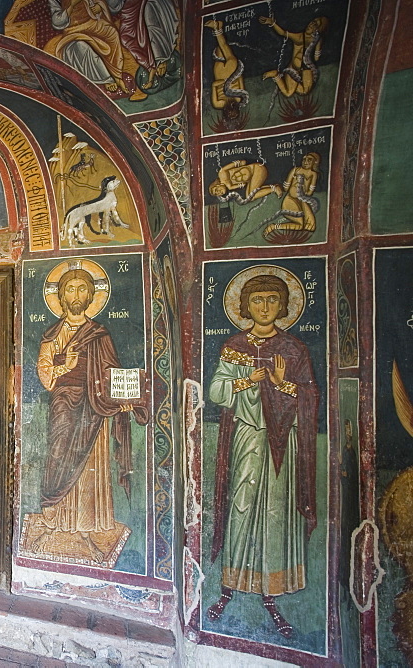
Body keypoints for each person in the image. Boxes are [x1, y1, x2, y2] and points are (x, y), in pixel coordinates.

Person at [206, 273, 319, 640]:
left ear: (284, 305)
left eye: (273, 299)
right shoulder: (234, 346)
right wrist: (247, 380)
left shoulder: (294, 349)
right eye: (258, 300)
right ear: (246, 306)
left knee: (274, 514)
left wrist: (283, 383)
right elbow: (217, 391)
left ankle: (271, 593)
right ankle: (229, 586)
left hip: (281, 444)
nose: (265, 306)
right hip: (248, 438)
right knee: (240, 508)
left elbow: (308, 398)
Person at [24, 269, 148, 563]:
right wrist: (64, 366)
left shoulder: (100, 334)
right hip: (64, 403)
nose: (76, 296)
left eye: (82, 290)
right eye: (70, 290)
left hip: (95, 407)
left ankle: (89, 524)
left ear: (91, 296)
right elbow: (45, 376)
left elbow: (111, 374)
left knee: (92, 461)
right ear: (61, 295)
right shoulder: (52, 335)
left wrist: (123, 400)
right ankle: (59, 517)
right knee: (58, 451)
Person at [45, 0, 130, 97]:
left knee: (112, 33)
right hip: (74, 29)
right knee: (80, 46)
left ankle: (117, 75)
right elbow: (57, 21)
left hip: (93, 24)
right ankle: (105, 78)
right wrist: (71, 6)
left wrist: (100, 6)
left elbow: (112, 5)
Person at [259, 16, 328, 98]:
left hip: (306, 67)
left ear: (318, 29)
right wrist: (273, 23)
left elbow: (316, 58)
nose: (311, 25)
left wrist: (317, 44)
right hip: (293, 68)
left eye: (315, 25)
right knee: (288, 93)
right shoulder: (298, 37)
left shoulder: (317, 39)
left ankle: (288, 80)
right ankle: (275, 74)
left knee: (304, 91)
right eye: (312, 22)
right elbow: (283, 33)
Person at [264, 152, 321, 239]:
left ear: (315, 162)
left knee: (307, 226)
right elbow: (286, 188)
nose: (306, 162)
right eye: (304, 159)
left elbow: (310, 192)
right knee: (303, 225)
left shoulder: (313, 174)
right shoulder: (296, 170)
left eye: (309, 160)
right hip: (290, 201)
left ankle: (274, 226)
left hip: (302, 201)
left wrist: (302, 192)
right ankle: (273, 226)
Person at [204, 19, 249, 119]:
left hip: (220, 76)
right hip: (232, 72)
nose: (231, 113)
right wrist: (232, 77)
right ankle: (217, 28)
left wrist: (224, 82)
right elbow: (240, 79)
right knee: (224, 47)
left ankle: (218, 27)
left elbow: (213, 85)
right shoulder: (238, 99)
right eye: (234, 113)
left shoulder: (218, 104)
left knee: (219, 50)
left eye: (229, 114)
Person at [208, 160, 282, 204]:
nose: (219, 192)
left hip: (257, 170)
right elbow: (242, 184)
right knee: (249, 197)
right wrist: (231, 186)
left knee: (251, 196)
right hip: (252, 177)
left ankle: (274, 188)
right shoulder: (229, 187)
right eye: (217, 194)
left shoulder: (222, 173)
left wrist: (239, 164)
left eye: (216, 190)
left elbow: (241, 162)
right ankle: (272, 187)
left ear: (217, 185)